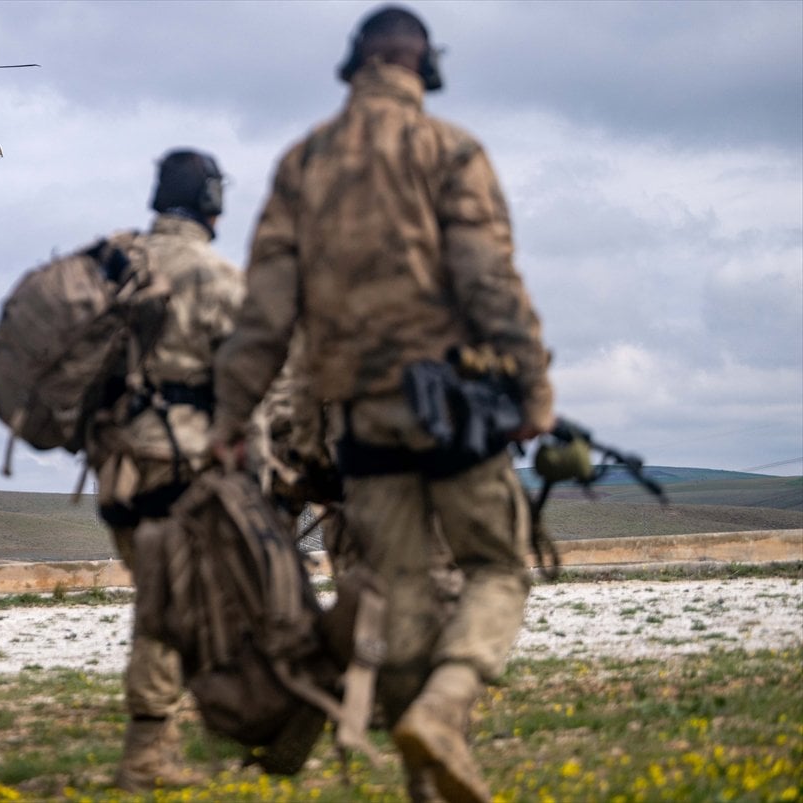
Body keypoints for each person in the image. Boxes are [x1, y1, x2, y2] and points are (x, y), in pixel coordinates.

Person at [208, 6, 554, 802]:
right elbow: (488, 280)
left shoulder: (304, 164)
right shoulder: (451, 149)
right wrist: (532, 386)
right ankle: (441, 709)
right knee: (496, 567)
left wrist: (232, 418)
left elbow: (263, 314)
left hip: (360, 420)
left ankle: (424, 784)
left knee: (394, 592)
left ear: (352, 66)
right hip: (453, 406)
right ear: (424, 67)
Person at [85, 149, 244, 792]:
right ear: (213, 201)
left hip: (115, 469)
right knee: (169, 605)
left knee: (179, 602)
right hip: (178, 468)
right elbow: (252, 379)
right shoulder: (215, 276)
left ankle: (179, 737)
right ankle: (146, 756)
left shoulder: (113, 264)